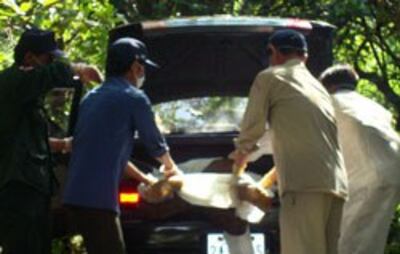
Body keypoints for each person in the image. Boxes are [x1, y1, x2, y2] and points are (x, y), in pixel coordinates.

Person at [229, 29, 348, 254]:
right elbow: (311, 143)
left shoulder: (270, 77)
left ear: (273, 52)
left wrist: (235, 174)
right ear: (305, 56)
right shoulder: (318, 87)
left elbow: (250, 133)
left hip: (304, 186)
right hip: (336, 185)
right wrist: (265, 181)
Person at [62, 37, 179, 254]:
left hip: (75, 197)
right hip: (97, 200)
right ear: (135, 66)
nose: (142, 74)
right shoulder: (134, 98)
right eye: (142, 68)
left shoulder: (91, 98)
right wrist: (172, 170)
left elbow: (110, 153)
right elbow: (154, 143)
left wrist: (145, 179)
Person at [0, 27, 102, 254]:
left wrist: (63, 145)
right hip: (17, 189)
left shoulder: (25, 91)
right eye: (48, 58)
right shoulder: (13, 82)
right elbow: (53, 74)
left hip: (32, 188)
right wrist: (78, 68)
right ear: (29, 57)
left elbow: (23, 139)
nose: (50, 64)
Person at [319, 64, 400, 254]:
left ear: (327, 87)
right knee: (370, 240)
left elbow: (286, 135)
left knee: (348, 243)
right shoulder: (371, 105)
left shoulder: (329, 103)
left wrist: (245, 152)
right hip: (393, 170)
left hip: (369, 176)